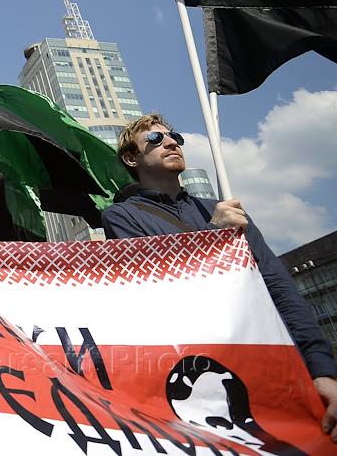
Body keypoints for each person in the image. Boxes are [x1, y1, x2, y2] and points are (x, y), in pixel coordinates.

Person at [104, 113, 337, 442]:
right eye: (155, 139)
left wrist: (320, 368)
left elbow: (278, 287)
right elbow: (161, 292)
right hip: (199, 377)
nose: (171, 142)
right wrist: (215, 235)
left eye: (174, 137)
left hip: (269, 360)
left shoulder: (223, 208)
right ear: (132, 158)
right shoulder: (122, 216)